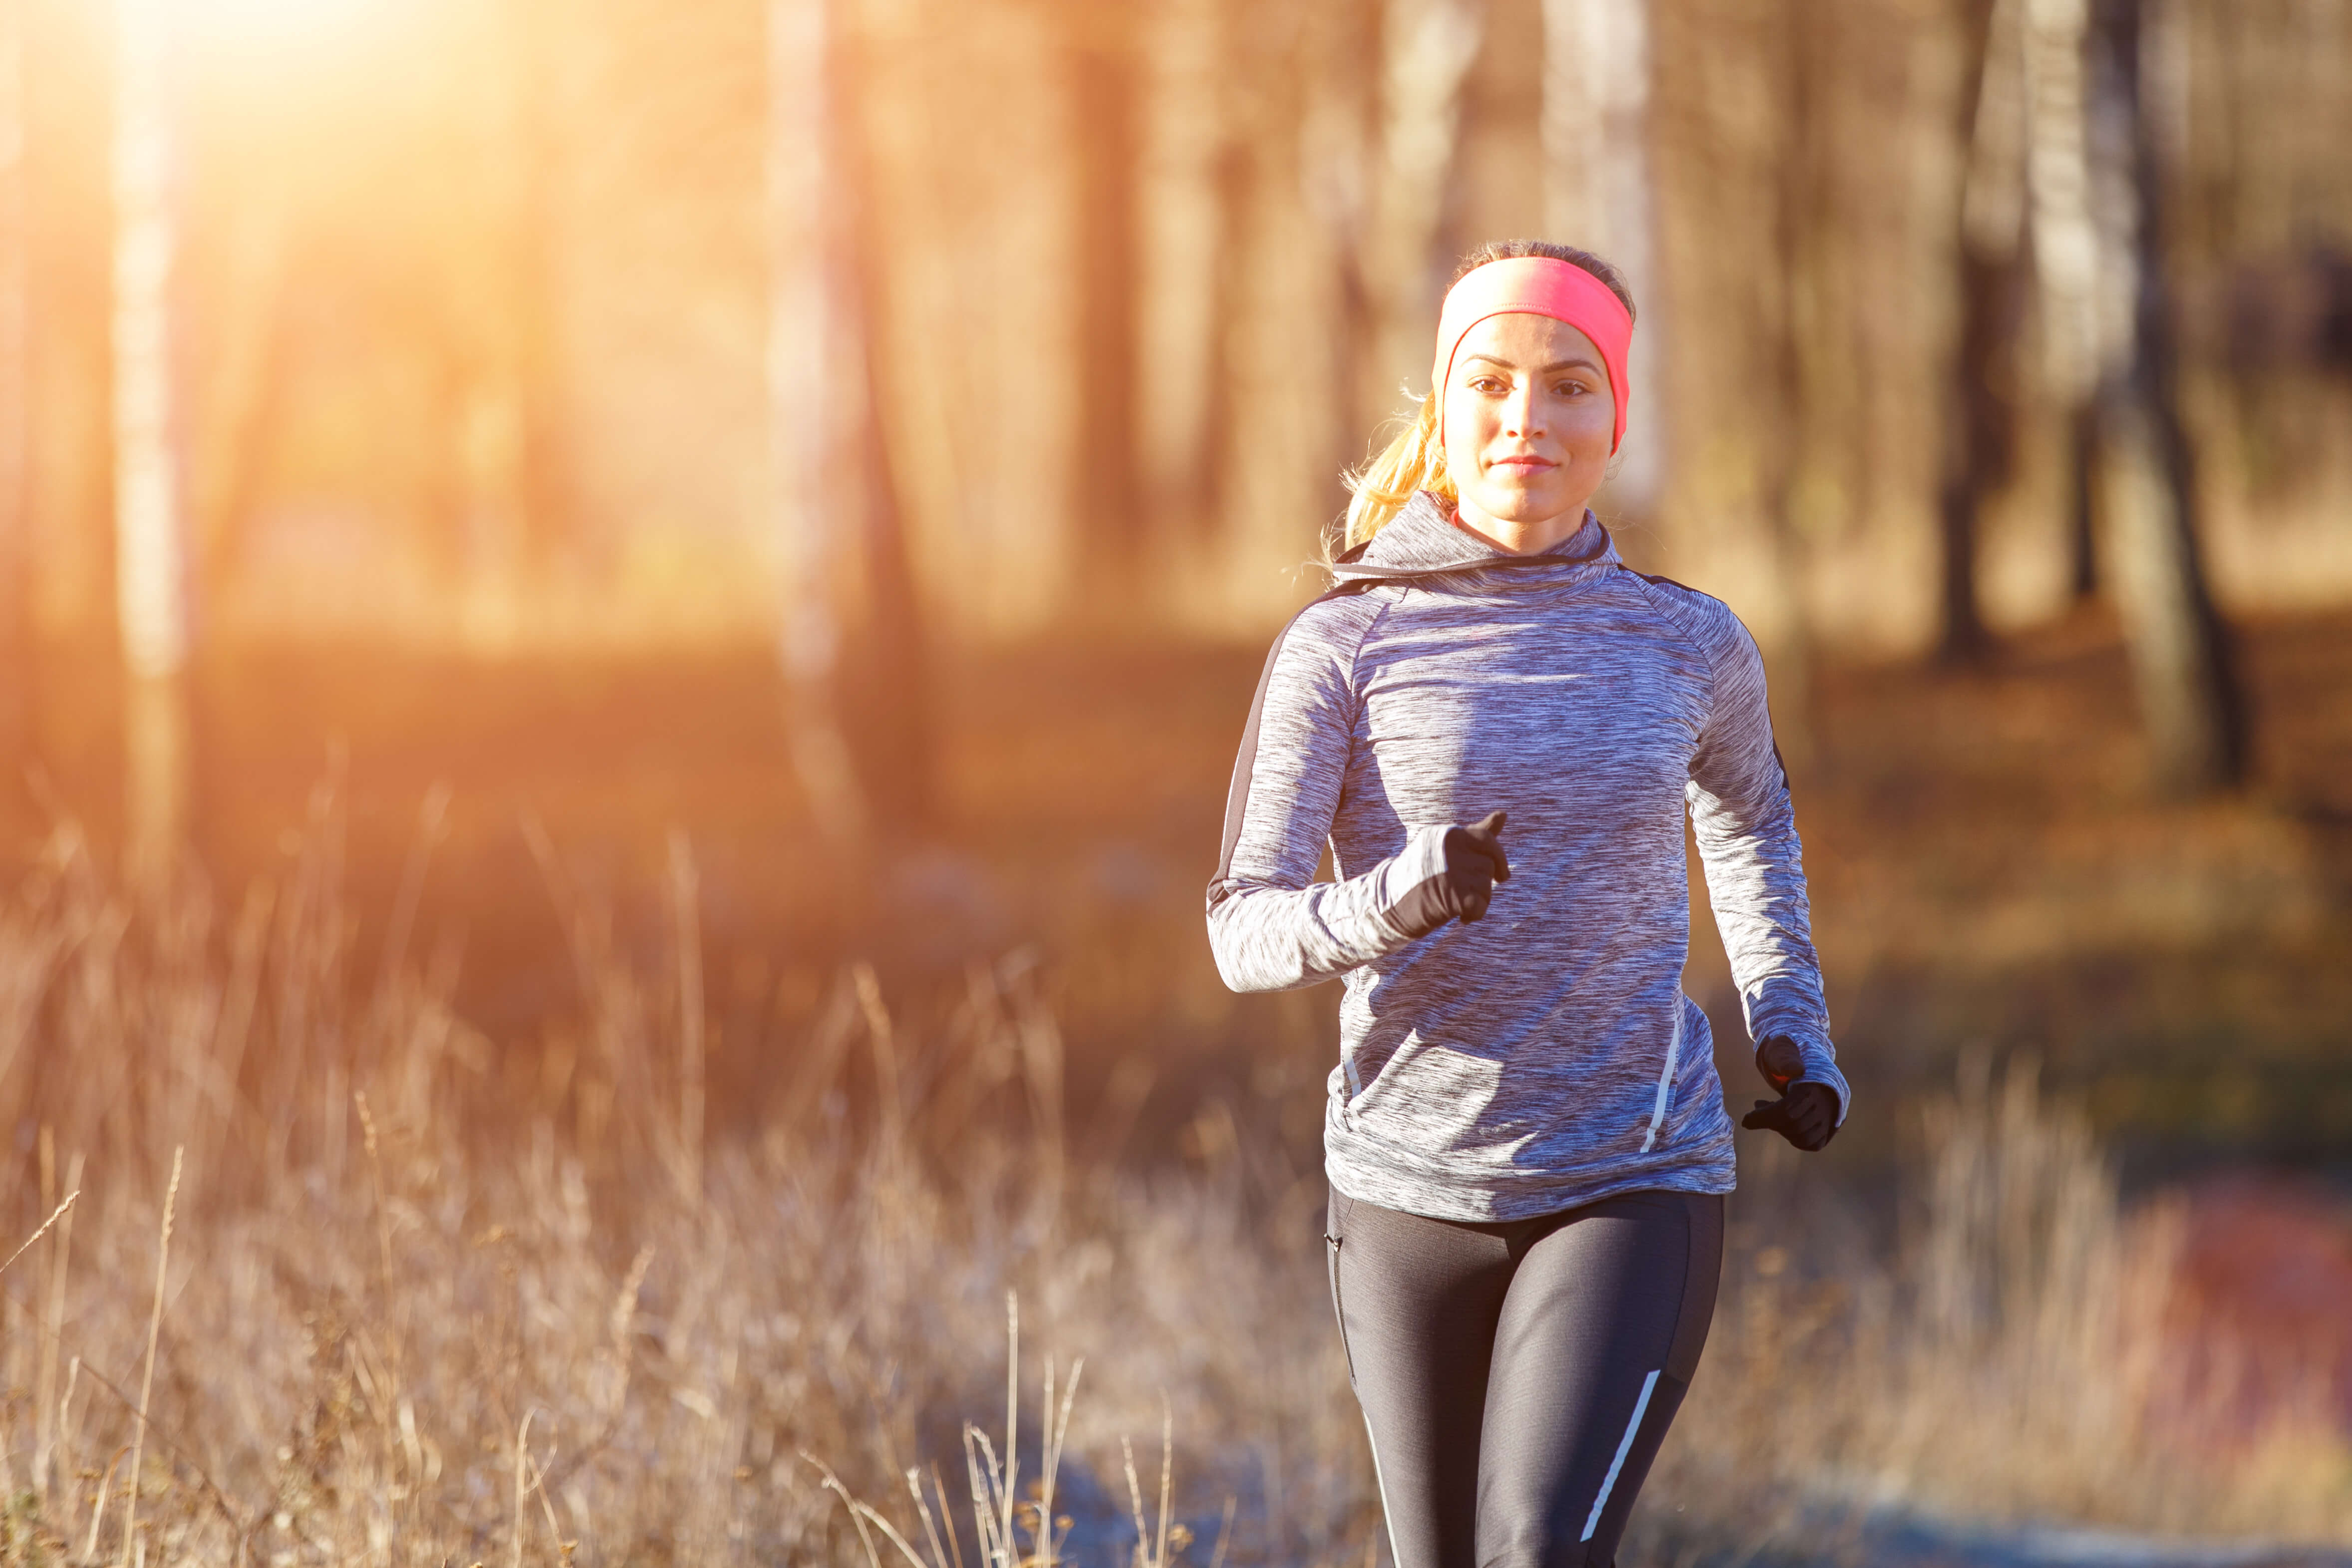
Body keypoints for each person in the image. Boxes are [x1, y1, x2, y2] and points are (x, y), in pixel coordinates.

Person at [1203, 239, 1849, 1568]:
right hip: (1402, 1193)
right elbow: (1240, 929)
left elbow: (1752, 833)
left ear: (1618, 415)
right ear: (1445, 405)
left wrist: (1793, 1026)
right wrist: (1395, 898)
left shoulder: (1691, 641)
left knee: (1539, 1549)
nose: (1527, 420)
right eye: (1491, 382)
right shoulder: (1345, 640)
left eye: (1570, 384)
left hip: (1632, 1175)